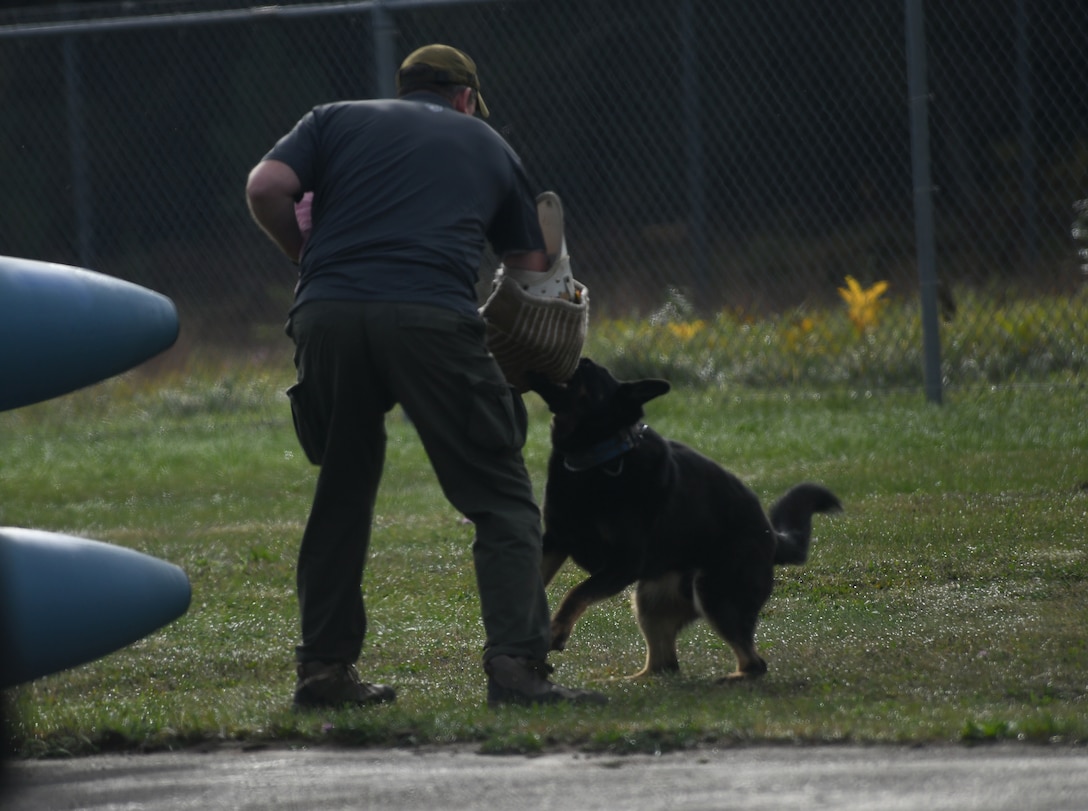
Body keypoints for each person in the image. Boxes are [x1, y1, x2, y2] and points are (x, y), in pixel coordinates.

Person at [245, 44, 606, 709]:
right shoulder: (487, 143)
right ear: (465, 97)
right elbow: (531, 267)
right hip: (429, 317)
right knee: (499, 495)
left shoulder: (332, 120)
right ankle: (517, 669)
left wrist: (310, 261)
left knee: (343, 489)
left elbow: (265, 187)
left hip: (326, 314)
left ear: (405, 89)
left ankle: (324, 670)